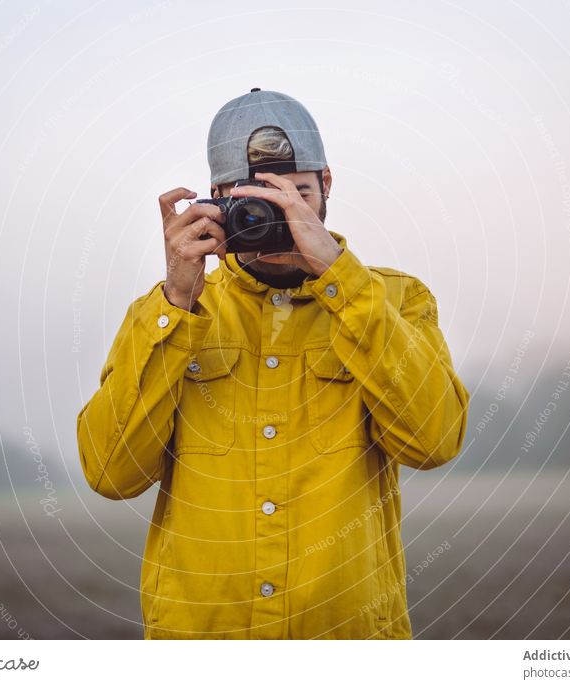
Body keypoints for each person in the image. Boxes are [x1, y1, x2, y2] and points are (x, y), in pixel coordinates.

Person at [76, 88, 470, 639]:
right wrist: (176, 304)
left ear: (327, 184)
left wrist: (342, 280)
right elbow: (111, 473)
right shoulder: (164, 312)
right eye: (255, 201)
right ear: (214, 200)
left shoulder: (395, 301)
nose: (279, 214)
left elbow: (434, 442)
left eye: (296, 195)